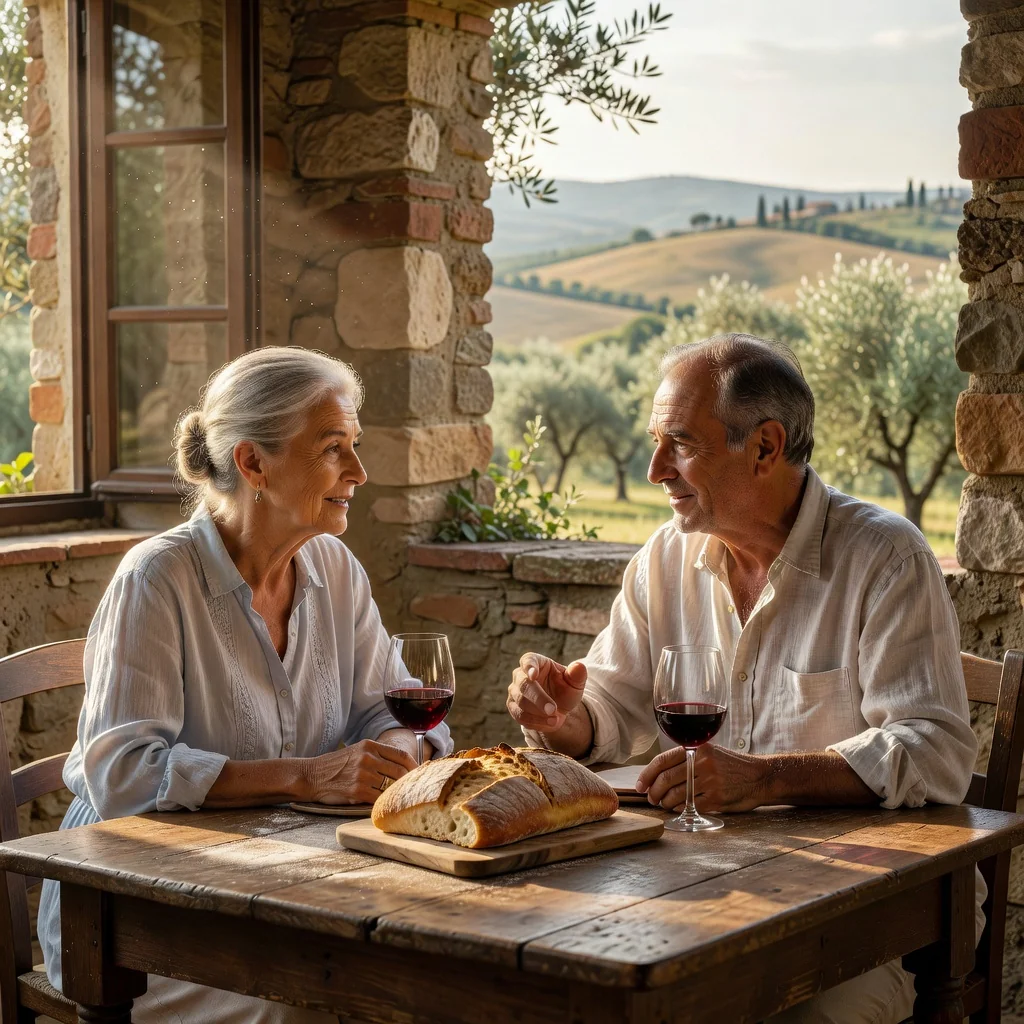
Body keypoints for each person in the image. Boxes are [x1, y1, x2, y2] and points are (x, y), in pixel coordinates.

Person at [506, 333, 979, 1024]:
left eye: (681, 444)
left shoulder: (884, 557)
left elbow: (934, 749)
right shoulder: (666, 557)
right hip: (711, 895)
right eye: (654, 441)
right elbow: (610, 704)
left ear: (764, 446)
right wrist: (563, 720)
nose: (654, 469)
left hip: (874, 914)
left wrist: (767, 778)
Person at [38, 346, 452, 1023]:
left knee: (419, 983)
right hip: (133, 916)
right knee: (308, 1009)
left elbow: (397, 709)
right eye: (332, 449)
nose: (358, 471)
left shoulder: (335, 568)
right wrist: (303, 777)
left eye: (354, 446)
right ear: (253, 463)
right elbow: (117, 774)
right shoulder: (158, 578)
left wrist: (403, 753)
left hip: (285, 890)